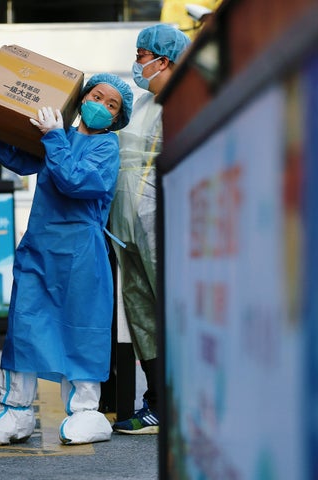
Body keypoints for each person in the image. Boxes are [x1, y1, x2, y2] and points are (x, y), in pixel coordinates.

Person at [0, 73, 133, 446]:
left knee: (81, 328)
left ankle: (86, 411)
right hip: (40, 248)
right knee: (25, 325)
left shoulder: (106, 147)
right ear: (82, 99)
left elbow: (75, 182)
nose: (102, 106)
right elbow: (16, 156)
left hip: (81, 253)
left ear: (117, 118)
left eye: (112, 105)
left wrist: (53, 137)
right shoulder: (56, 135)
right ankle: (16, 410)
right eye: (97, 96)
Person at [109, 24, 191, 435]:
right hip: (126, 225)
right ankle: (157, 402)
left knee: (178, 310)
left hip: (167, 222)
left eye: (143, 56)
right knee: (142, 315)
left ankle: (189, 402)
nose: (137, 64)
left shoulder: (192, 102)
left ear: (166, 61)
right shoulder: (140, 105)